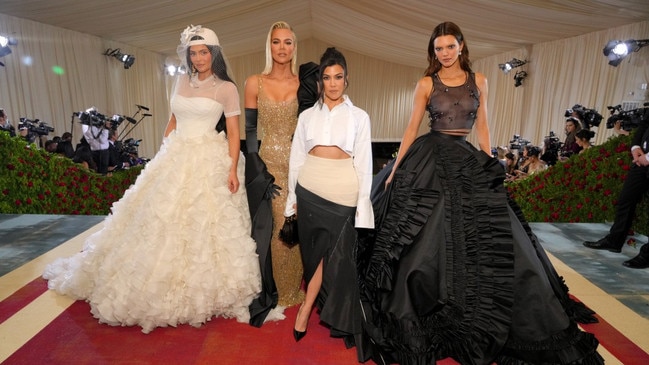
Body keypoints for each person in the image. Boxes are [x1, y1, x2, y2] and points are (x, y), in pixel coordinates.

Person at [358, 22, 603, 365]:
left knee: (490, 231)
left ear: (461, 46)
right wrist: (394, 170)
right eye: (437, 48)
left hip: (465, 154)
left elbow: (484, 125)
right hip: (429, 156)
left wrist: (489, 163)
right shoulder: (427, 83)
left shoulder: (481, 81)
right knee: (428, 228)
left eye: (448, 46)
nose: (443, 53)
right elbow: (412, 128)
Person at [43, 25, 262, 333]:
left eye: (204, 52)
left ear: (214, 53)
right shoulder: (181, 80)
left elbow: (235, 133)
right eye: (193, 53)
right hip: (174, 155)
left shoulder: (226, 87)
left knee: (202, 224)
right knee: (156, 219)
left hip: (208, 158)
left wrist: (231, 168)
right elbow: (172, 120)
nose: (199, 58)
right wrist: (163, 152)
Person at [284, 47, 373, 359]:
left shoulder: (359, 116)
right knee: (312, 256)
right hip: (309, 189)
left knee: (334, 256)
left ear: (346, 80)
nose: (333, 83)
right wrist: (291, 201)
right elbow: (295, 160)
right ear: (320, 82)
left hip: (343, 192)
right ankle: (315, 303)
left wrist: (363, 205)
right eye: (327, 77)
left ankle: (306, 308)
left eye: (338, 77)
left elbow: (364, 163)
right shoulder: (307, 116)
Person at [244, 21, 304, 322]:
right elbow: (251, 131)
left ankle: (293, 288)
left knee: (294, 222)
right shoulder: (255, 81)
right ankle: (275, 290)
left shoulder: (303, 83)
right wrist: (258, 171)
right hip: (266, 164)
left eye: (288, 42)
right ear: (269, 46)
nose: (282, 48)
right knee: (273, 225)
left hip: (297, 164)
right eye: (277, 42)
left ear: (295, 46)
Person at [583, 115, 649, 269]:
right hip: (641, 161)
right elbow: (645, 123)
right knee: (626, 199)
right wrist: (635, 147)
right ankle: (614, 240)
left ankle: (647, 255)